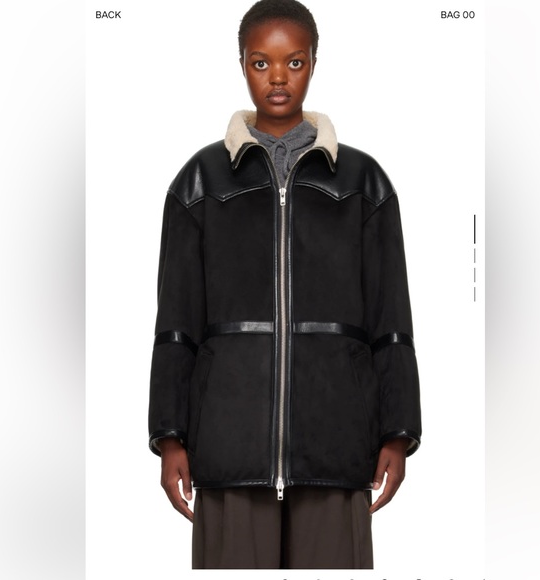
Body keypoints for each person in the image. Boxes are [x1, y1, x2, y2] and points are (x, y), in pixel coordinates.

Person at [148, 0, 421, 569]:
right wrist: (170, 436)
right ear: (242, 65)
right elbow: (175, 322)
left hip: (337, 439)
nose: (277, 77)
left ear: (314, 63)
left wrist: (398, 431)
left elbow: (391, 319)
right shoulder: (200, 180)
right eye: (261, 62)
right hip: (228, 441)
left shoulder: (363, 182)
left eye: (294, 62)